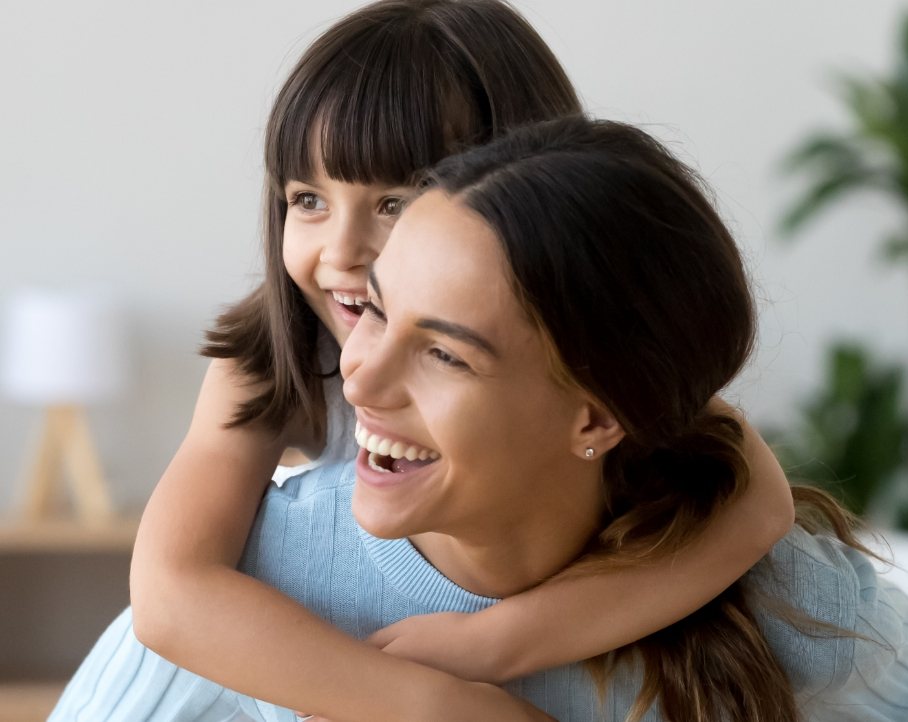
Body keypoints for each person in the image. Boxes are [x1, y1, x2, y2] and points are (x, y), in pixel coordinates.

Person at [52, 115, 908, 722]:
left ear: (597, 418)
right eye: (372, 309)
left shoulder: (800, 609)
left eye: (445, 354)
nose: (358, 381)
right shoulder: (259, 591)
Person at [122, 1, 795, 719]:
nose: (341, 252)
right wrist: (437, 703)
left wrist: (501, 642)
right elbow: (169, 595)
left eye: (395, 204)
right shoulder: (268, 361)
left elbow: (757, 503)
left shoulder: (584, 371)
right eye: (308, 198)